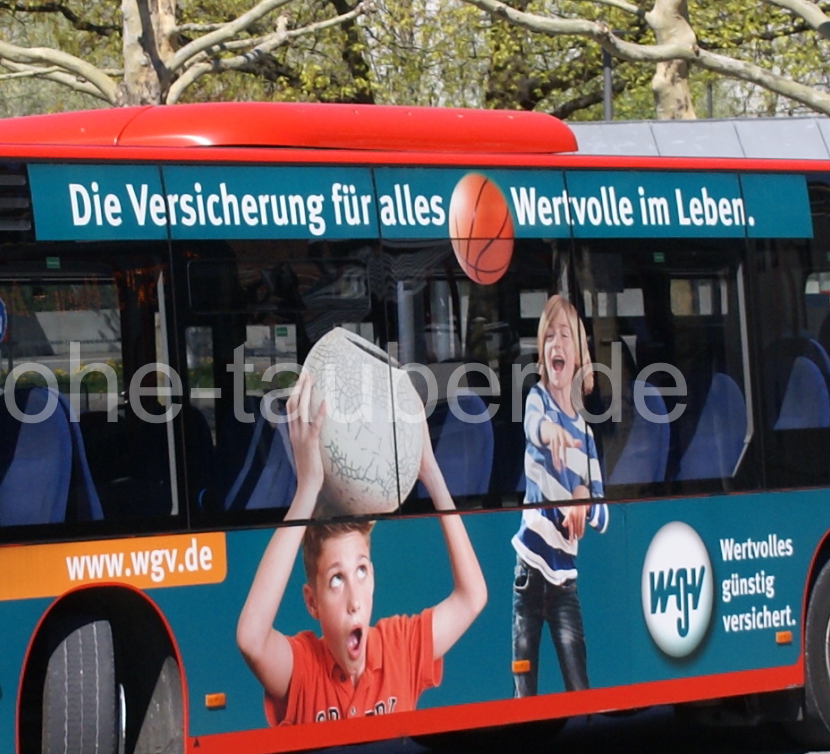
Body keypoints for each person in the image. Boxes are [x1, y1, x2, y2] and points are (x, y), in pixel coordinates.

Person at [234, 368, 488, 727]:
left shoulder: (400, 648)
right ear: (312, 602)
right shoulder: (303, 668)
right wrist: (307, 491)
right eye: (336, 580)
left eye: (362, 570)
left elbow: (472, 597)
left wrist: (431, 474)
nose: (355, 599)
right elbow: (251, 639)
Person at [514, 291, 607, 699]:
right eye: (548, 335)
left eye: (565, 335)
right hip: (529, 572)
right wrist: (549, 431)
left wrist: (584, 497)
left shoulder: (585, 433)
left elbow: (602, 513)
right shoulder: (537, 401)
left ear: (579, 355)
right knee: (524, 687)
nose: (556, 343)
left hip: (565, 582)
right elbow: (533, 427)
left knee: (579, 684)